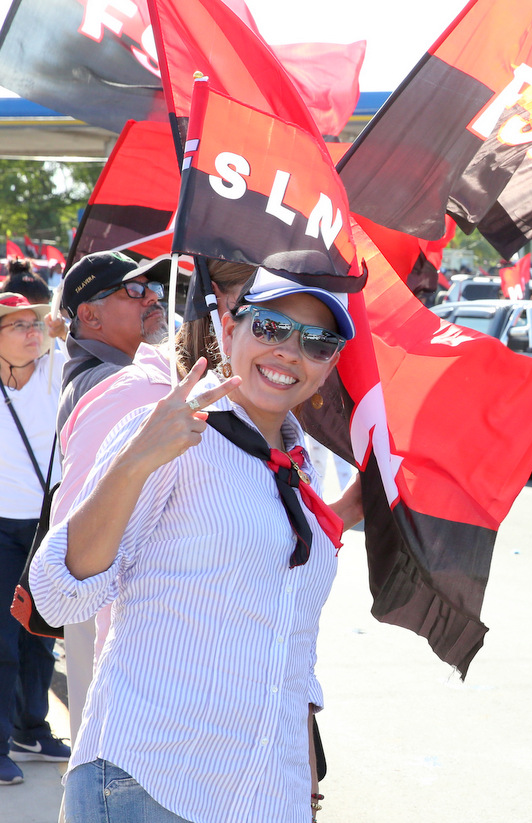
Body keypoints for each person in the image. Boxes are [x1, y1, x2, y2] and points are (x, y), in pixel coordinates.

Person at [30, 271, 355, 823]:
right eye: (271, 327)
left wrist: (303, 778)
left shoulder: (296, 470)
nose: (289, 351)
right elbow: (59, 597)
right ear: (229, 330)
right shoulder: (172, 432)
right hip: (151, 782)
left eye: (317, 341)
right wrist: (135, 459)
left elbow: (290, 644)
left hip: (265, 793)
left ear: (329, 365)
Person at [0, 293, 66, 787]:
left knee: (42, 634)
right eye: (17, 325)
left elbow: (70, 335)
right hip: (2, 527)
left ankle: (31, 729)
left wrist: (59, 329)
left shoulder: (55, 369)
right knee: (3, 641)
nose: (31, 331)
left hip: (48, 523)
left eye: (34, 323)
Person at [56, 250, 169, 432]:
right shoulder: (105, 382)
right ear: (90, 316)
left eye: (152, 287)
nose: (153, 297)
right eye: (133, 289)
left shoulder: (105, 375)